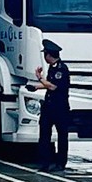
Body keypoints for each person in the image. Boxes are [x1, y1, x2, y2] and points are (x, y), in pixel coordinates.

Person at [30, 39, 70, 172]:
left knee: (62, 136)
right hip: (49, 106)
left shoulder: (61, 69)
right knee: (44, 135)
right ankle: (44, 162)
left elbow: (53, 86)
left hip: (60, 108)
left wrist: (39, 78)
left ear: (48, 55)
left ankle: (60, 163)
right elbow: (49, 84)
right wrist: (36, 87)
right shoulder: (52, 68)